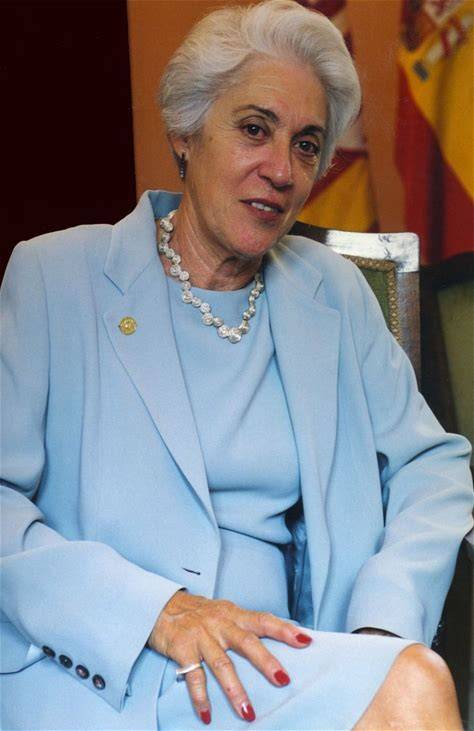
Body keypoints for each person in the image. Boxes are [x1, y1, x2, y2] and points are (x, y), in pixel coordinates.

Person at [1, 1, 472, 729]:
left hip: (282, 666)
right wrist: (157, 611)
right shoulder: (54, 276)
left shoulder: (334, 293)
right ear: (185, 132)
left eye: (307, 145)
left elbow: (432, 468)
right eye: (255, 129)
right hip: (103, 672)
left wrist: (382, 626)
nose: (281, 170)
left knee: (408, 681)